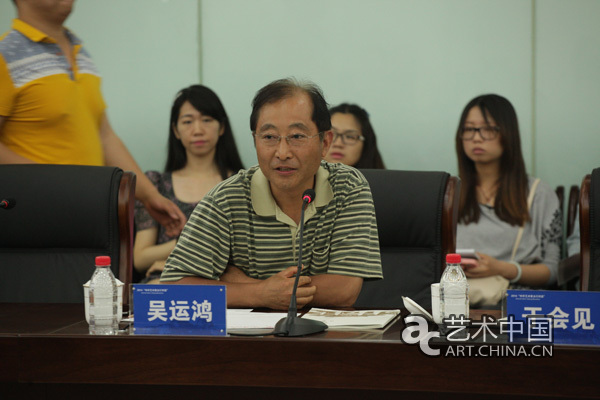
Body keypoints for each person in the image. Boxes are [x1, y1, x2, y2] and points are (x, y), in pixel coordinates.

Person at [161, 78, 382, 310]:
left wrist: (251, 286)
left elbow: (344, 289)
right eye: (269, 137)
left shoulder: (348, 186)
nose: (282, 152)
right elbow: (174, 287)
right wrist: (260, 294)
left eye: (297, 136)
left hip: (326, 331)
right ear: (255, 140)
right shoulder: (226, 199)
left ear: (325, 142)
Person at [0, 0, 185, 236]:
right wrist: (54, 182)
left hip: (90, 217)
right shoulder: (5, 54)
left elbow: (104, 136)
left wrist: (150, 196)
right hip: (36, 222)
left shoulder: (80, 51)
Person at [454, 94, 562, 304]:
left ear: (508, 133)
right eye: (469, 129)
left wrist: (501, 268)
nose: (476, 137)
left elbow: (554, 270)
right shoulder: (450, 193)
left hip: (518, 305)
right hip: (456, 304)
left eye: (488, 129)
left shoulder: (538, 194)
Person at [134, 85, 244, 283]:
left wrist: (179, 259)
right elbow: (140, 259)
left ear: (222, 127)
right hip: (166, 280)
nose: (198, 130)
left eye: (207, 120)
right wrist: (176, 266)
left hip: (222, 282)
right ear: (176, 130)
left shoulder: (241, 184)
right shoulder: (155, 185)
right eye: (187, 121)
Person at [324, 103, 385, 169]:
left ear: (366, 145)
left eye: (349, 137)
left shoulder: (383, 176)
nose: (338, 144)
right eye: (331, 135)